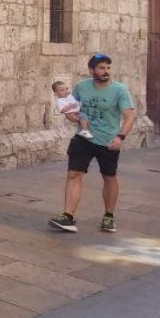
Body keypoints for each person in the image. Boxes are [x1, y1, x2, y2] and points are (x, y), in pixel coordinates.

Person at [48, 54, 136, 233]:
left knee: (109, 177)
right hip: (83, 138)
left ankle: (109, 216)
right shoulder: (82, 87)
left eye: (108, 68)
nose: (106, 71)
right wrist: (72, 116)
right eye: (102, 68)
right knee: (73, 174)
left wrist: (120, 137)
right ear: (92, 70)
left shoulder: (120, 90)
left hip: (108, 140)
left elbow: (129, 116)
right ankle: (68, 217)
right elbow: (71, 107)